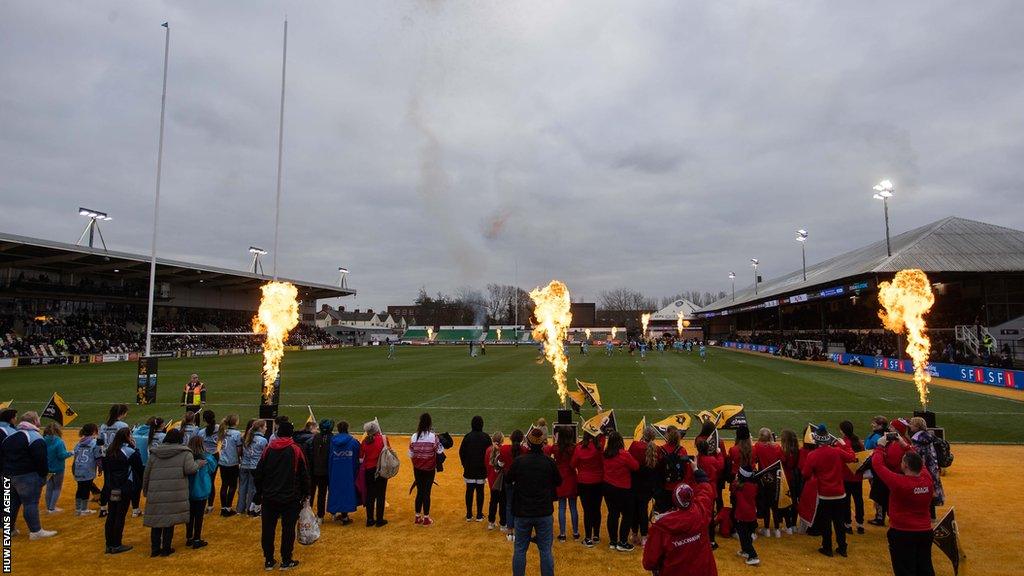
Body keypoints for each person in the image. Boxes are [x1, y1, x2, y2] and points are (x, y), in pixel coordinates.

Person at [871, 437, 935, 576]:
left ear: (905, 466)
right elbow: (920, 462)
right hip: (925, 531)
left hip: (902, 532)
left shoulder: (899, 483)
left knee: (904, 570)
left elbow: (878, 466)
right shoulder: (927, 479)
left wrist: (880, 446)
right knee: (925, 567)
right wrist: (905, 445)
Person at [642, 466, 718, 576]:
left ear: (675, 501)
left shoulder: (662, 526)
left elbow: (649, 562)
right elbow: (706, 491)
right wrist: (697, 470)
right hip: (703, 570)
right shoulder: (701, 511)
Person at [255, 420, 309, 571]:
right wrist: (306, 494)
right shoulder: (295, 449)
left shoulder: (268, 449)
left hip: (270, 496)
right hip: (290, 497)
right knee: (287, 529)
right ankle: (286, 559)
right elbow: (304, 474)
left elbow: (259, 473)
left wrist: (259, 492)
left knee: (268, 529)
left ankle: (269, 560)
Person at [506, 427, 561, 576]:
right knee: (545, 550)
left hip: (523, 512)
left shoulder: (519, 461)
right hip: (543, 512)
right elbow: (558, 481)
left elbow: (508, 479)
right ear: (542, 443)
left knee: (520, 550)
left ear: (528, 444)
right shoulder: (548, 462)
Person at [143, 427, 205, 557]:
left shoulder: (154, 453)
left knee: (156, 521)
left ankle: (155, 549)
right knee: (169, 521)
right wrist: (199, 463)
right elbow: (190, 469)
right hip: (175, 491)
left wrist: (145, 490)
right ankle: (166, 548)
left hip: (156, 490)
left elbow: (147, 474)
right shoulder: (184, 453)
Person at [801, 424, 856, 558]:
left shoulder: (813, 455)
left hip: (824, 494)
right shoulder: (836, 451)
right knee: (839, 522)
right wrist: (845, 445)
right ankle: (842, 548)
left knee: (825, 522)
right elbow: (852, 457)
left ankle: (827, 547)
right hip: (839, 492)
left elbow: (806, 474)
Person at [2, 411, 57, 539]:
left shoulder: (10, 436)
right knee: (30, 503)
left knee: (12, 503)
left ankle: (8, 530)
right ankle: (35, 531)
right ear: (35, 421)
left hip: (9, 474)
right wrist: (43, 476)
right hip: (27, 476)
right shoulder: (35, 438)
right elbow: (41, 460)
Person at [103, 427, 144, 554]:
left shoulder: (109, 450)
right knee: (120, 515)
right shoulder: (128, 451)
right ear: (127, 437)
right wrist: (135, 448)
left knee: (112, 514)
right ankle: (116, 544)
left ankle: (109, 544)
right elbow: (139, 467)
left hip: (111, 486)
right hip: (124, 486)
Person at [868, 418, 911, 527]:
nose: (889, 429)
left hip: (891, 476)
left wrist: (880, 451)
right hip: (895, 475)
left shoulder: (897, 444)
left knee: (884, 498)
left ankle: (883, 518)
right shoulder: (901, 441)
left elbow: (892, 460)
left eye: (892, 427)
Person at [602, 431, 639, 551]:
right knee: (627, 515)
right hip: (623, 489)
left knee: (613, 514)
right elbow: (635, 466)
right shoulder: (624, 455)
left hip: (608, 487)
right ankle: (622, 541)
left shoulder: (605, 454)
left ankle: (613, 541)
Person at [409, 412, 444, 526]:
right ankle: (426, 518)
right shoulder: (433, 437)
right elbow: (440, 451)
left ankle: (417, 516)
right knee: (427, 492)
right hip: (429, 468)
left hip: (417, 468)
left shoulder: (414, 436)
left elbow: (410, 454)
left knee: (419, 491)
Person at [571, 430, 603, 547]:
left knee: (588, 510)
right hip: (598, 481)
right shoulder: (599, 447)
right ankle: (596, 535)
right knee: (596, 508)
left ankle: (588, 537)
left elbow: (572, 464)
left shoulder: (579, 448)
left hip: (584, 482)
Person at [627, 425, 659, 546]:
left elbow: (629, 461)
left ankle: (634, 533)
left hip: (634, 483)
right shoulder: (654, 448)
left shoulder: (635, 445)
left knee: (634, 510)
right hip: (648, 485)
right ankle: (644, 535)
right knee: (643, 510)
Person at [546, 426, 579, 541]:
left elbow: (548, 452)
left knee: (561, 507)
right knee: (573, 507)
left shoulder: (556, 447)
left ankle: (562, 533)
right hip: (571, 477)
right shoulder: (574, 448)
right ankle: (575, 532)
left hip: (560, 478)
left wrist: (555, 441)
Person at [908, 417, 944, 519]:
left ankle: (924, 515)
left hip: (924, 469)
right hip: (932, 468)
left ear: (917, 426)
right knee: (930, 491)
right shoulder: (928, 436)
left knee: (922, 492)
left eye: (912, 424)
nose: (910, 426)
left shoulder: (918, 439)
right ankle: (931, 515)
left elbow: (917, 455)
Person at [98, 403, 130, 518]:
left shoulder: (103, 425)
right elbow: (127, 441)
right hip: (118, 455)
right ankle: (115, 504)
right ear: (121, 413)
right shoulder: (122, 425)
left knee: (107, 481)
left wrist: (100, 458)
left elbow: (99, 442)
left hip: (106, 456)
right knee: (119, 481)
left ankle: (103, 507)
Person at [186, 435, 217, 549]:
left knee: (190, 514)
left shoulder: (187, 457)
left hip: (189, 489)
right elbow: (212, 468)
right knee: (198, 515)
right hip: (201, 489)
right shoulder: (206, 458)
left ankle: (189, 537)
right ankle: (197, 538)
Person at [753, 427, 785, 537]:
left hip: (763, 479)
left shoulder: (757, 446)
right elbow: (782, 460)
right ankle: (777, 529)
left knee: (765, 504)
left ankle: (766, 529)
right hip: (776, 479)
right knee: (775, 504)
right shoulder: (777, 447)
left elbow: (755, 459)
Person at [327, 420, 360, 524]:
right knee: (347, 492)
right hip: (348, 471)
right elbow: (357, 456)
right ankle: (344, 516)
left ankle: (335, 512)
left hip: (335, 470)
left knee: (335, 490)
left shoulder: (333, 441)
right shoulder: (353, 441)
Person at [695, 438, 724, 550]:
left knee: (700, 514)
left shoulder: (697, 459)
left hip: (699, 489)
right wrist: (719, 453)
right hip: (710, 489)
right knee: (710, 516)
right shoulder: (711, 459)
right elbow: (720, 465)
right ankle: (711, 540)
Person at [459, 415, 490, 522]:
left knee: (469, 490)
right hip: (481, 469)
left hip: (469, 469)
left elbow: (461, 452)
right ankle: (479, 515)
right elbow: (489, 453)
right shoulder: (486, 437)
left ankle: (469, 514)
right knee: (480, 491)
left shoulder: (467, 437)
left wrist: (464, 464)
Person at [655, 427, 692, 512]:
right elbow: (686, 469)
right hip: (678, 486)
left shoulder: (660, 450)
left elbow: (656, 468)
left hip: (664, 486)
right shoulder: (682, 450)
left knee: (664, 512)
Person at [839, 420, 866, 534]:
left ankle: (848, 524)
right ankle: (860, 524)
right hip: (857, 476)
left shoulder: (843, 443)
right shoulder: (858, 441)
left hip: (846, 476)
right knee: (858, 500)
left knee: (846, 501)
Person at [361, 419, 389, 527]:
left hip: (369, 470)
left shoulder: (364, 442)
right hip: (381, 469)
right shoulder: (383, 439)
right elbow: (388, 451)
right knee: (381, 495)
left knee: (370, 495)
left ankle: (370, 519)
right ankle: (379, 519)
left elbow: (360, 459)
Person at [237, 419, 268, 516]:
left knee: (242, 487)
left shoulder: (247, 437)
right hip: (255, 467)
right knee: (252, 489)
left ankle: (239, 508)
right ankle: (249, 508)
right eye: (265, 426)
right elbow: (265, 455)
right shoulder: (263, 440)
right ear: (260, 428)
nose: (266, 428)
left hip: (244, 465)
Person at [732, 466, 761, 565]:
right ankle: (745, 550)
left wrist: (736, 480)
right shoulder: (754, 486)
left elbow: (733, 489)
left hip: (742, 515)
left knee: (744, 537)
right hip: (751, 514)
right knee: (746, 534)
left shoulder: (737, 486)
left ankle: (753, 555)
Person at [863, 415, 889, 525]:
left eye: (875, 423)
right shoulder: (881, 435)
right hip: (875, 466)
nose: (872, 424)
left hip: (875, 468)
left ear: (881, 425)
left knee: (878, 493)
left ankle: (879, 518)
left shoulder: (879, 437)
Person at [42, 423, 74, 513]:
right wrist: (70, 453)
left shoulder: (43, 440)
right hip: (58, 468)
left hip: (47, 468)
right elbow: (61, 455)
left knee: (49, 487)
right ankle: (52, 508)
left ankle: (48, 507)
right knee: (57, 488)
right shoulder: (59, 441)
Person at [72, 423, 103, 516]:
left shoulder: (79, 443)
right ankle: (84, 509)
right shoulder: (95, 443)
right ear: (94, 431)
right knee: (86, 489)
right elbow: (98, 458)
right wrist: (100, 468)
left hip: (78, 468)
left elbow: (75, 456)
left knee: (80, 488)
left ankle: (78, 509)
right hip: (88, 469)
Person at [308, 419, 334, 523]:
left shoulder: (316, 437)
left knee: (320, 494)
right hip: (328, 470)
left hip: (317, 470)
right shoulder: (332, 438)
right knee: (329, 493)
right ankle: (332, 513)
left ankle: (320, 515)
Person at [217, 414, 242, 516]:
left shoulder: (224, 431)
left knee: (224, 484)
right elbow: (239, 449)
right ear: (235, 422)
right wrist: (239, 458)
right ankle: (228, 508)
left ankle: (223, 508)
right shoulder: (237, 434)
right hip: (232, 462)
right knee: (232, 485)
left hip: (223, 461)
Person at [195, 410, 219, 513]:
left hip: (204, 456)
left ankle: (203, 504)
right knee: (212, 480)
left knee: (204, 479)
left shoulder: (201, 432)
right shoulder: (218, 428)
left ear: (204, 419)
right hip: (214, 455)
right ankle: (210, 505)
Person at [779, 429, 801, 534]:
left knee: (786, 502)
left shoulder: (784, 452)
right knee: (794, 500)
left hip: (786, 479)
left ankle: (788, 524)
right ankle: (793, 524)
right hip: (796, 479)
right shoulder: (797, 450)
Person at [485, 431, 507, 530]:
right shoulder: (503, 451)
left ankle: (491, 522)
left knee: (493, 501)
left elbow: (486, 464)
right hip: (501, 480)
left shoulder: (488, 450)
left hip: (492, 480)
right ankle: (503, 524)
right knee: (503, 502)